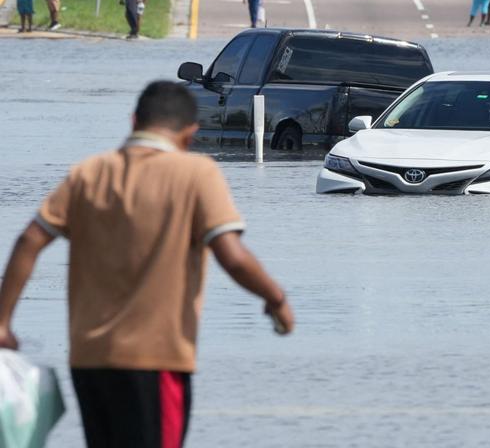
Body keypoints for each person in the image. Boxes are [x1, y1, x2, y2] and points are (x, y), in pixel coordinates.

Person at [0, 81, 294, 448]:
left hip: (89, 361)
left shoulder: (89, 173)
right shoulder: (196, 175)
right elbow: (231, 256)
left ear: (134, 120)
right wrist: (276, 299)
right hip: (156, 360)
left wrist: (3, 323)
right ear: (190, 134)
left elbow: (29, 240)